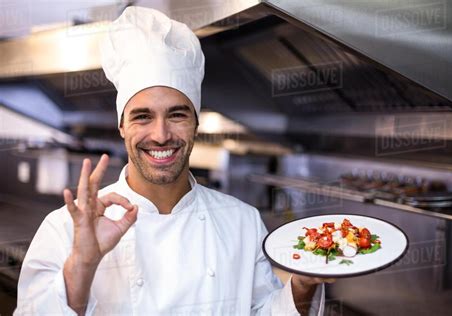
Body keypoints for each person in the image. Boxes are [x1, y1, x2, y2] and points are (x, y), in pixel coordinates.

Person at [15, 6, 331, 316]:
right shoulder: (65, 230)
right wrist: (82, 264)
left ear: (195, 123)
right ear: (122, 126)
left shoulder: (242, 223)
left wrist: (301, 286)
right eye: (142, 116)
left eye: (176, 114)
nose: (161, 134)